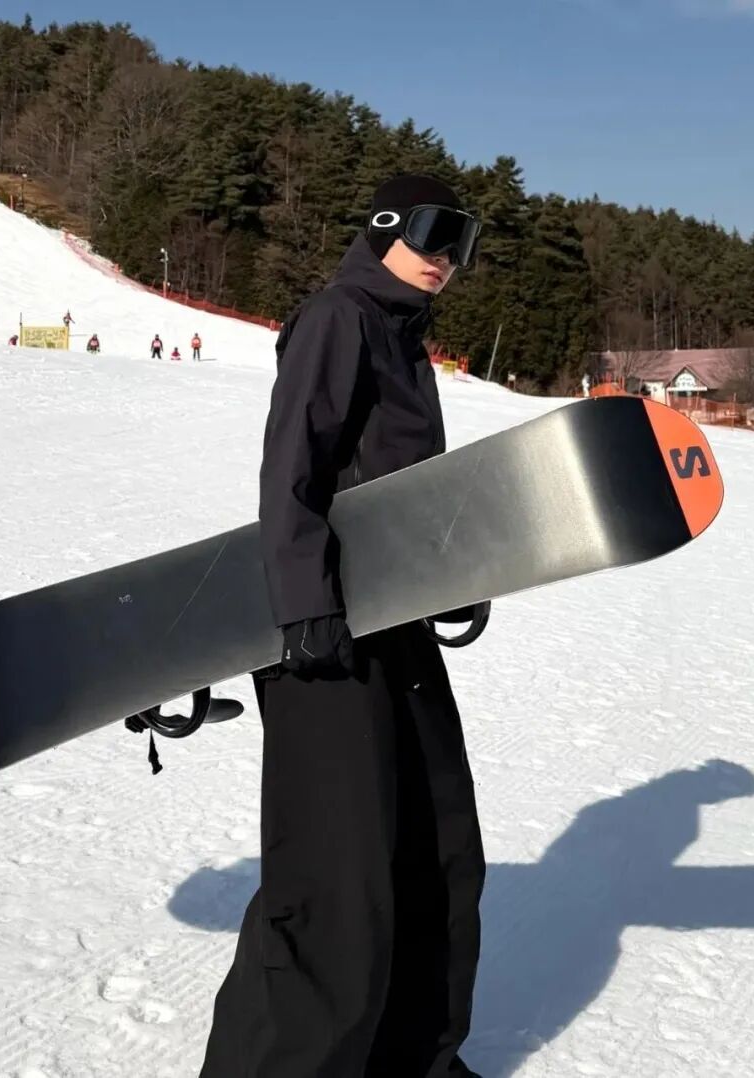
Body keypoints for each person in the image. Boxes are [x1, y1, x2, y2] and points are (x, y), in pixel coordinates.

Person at [200, 175, 487, 1078]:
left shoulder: (404, 340)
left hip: (393, 623)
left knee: (440, 852)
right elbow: (293, 463)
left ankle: (417, 1060)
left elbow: (406, 498)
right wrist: (304, 604)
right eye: (435, 233)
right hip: (324, 635)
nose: (447, 258)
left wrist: (454, 581)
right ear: (385, 228)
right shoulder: (338, 318)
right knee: (337, 881)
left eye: (464, 243)